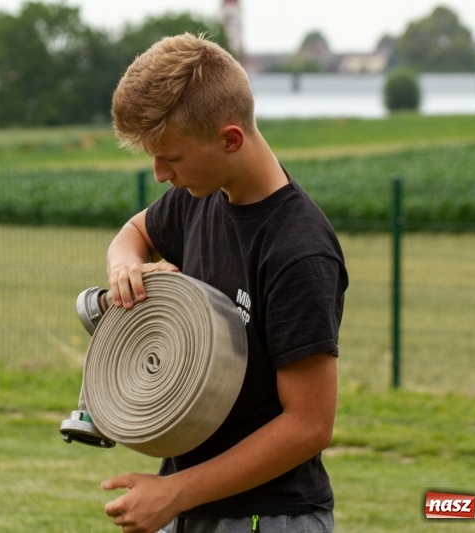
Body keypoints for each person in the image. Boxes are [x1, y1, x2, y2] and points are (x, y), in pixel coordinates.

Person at [100, 33, 348, 533]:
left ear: (229, 139)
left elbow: (309, 426)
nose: (160, 173)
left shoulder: (298, 249)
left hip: (268, 516)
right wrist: (124, 269)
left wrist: (173, 492)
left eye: (171, 157)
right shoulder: (199, 197)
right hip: (192, 508)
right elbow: (133, 232)